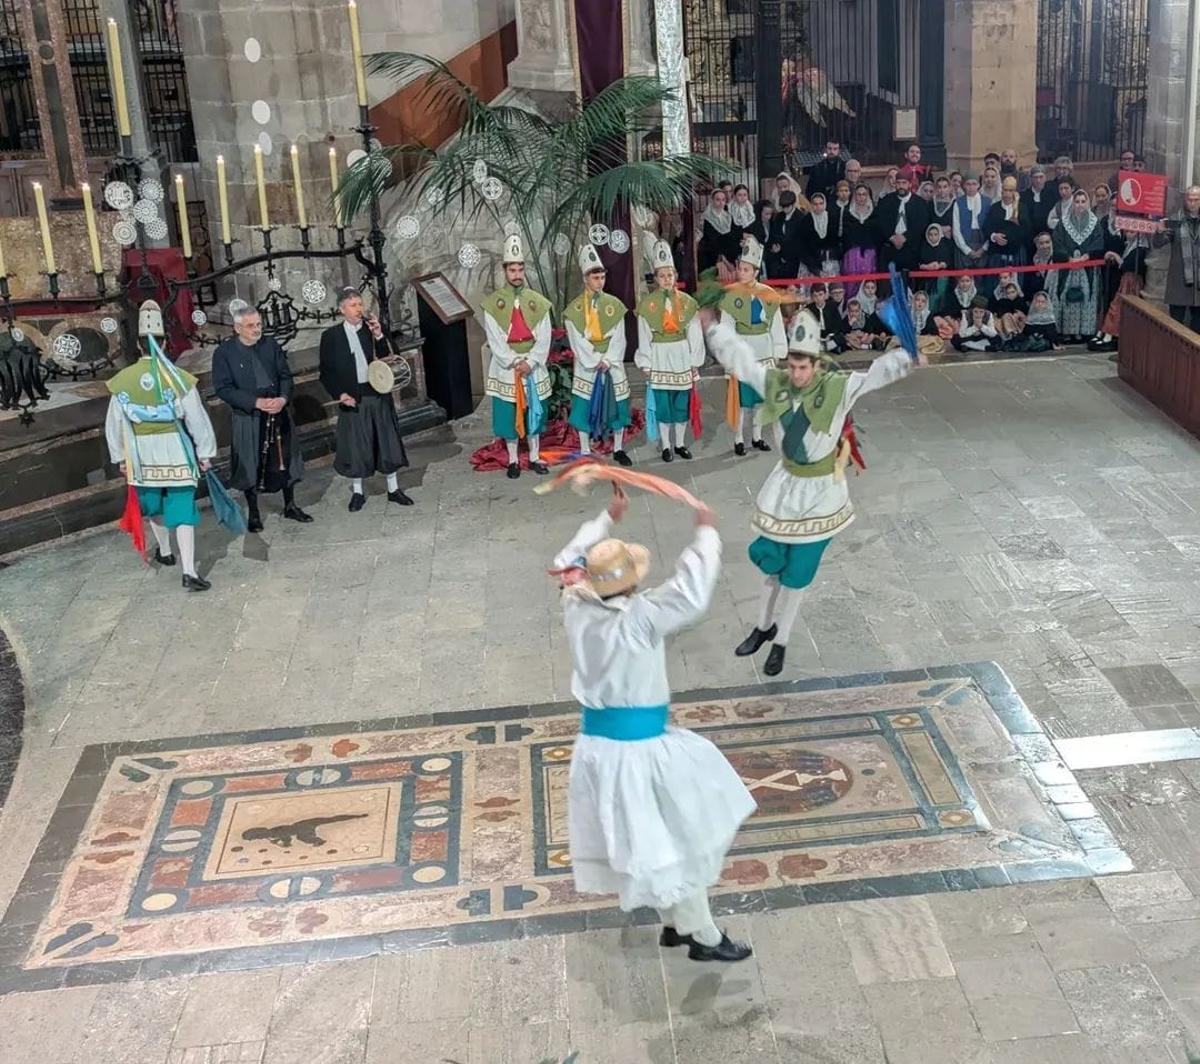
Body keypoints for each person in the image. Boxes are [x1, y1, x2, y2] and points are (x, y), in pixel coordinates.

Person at [553, 487, 755, 963]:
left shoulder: (575, 604)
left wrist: (605, 518)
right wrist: (705, 532)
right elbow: (691, 591)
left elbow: (565, 561)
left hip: (599, 749)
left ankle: (674, 923)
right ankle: (703, 936)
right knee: (679, 838)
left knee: (655, 838)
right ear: (631, 583)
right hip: (637, 752)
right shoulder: (641, 617)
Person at [705, 305, 920, 675]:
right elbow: (742, 360)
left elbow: (876, 374)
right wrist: (713, 329)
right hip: (785, 490)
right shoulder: (776, 383)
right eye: (792, 367)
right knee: (771, 564)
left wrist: (907, 358)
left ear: (817, 365)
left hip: (821, 496)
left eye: (803, 368)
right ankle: (763, 626)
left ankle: (782, 641)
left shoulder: (839, 387)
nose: (796, 374)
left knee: (797, 574)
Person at [105, 300, 217, 591]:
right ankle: (189, 571)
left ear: (138, 346)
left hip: (141, 453)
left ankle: (166, 552)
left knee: (153, 503)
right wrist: (205, 452)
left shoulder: (122, 380)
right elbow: (196, 418)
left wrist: (120, 457)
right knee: (182, 506)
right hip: (174, 449)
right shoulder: (178, 378)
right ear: (165, 343)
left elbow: (114, 423)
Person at [211, 306, 311, 533]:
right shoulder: (224, 353)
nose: (257, 329)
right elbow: (223, 389)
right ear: (237, 328)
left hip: (278, 412)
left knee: (285, 459)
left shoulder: (270, 345)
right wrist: (255, 402)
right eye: (250, 326)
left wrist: (283, 399)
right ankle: (254, 512)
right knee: (250, 463)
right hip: (249, 417)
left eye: (258, 324)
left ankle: (290, 505)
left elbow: (285, 376)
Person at [318, 287, 413, 506]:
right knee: (357, 446)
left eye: (360, 304)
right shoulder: (331, 337)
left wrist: (379, 334)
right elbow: (326, 373)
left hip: (377, 392)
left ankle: (393, 489)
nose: (358, 309)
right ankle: (358, 493)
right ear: (342, 309)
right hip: (352, 396)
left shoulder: (372, 329)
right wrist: (340, 394)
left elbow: (392, 356)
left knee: (386, 441)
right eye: (353, 305)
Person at [481, 235, 552, 478]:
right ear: (505, 271)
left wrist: (531, 362)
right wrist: (514, 362)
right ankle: (513, 460)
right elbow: (494, 339)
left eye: (520, 269)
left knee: (534, 411)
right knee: (508, 413)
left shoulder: (537, 302)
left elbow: (545, 335)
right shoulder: (493, 304)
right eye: (512, 270)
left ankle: (534, 456)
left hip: (531, 365)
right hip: (507, 367)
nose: (517, 274)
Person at [636, 239, 705, 461]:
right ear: (656, 278)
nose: (666, 279)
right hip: (659, 356)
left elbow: (695, 334)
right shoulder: (647, 305)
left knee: (681, 403)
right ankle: (666, 446)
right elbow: (644, 335)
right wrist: (646, 363)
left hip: (681, 355)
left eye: (670, 275)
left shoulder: (688, 303)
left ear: (675, 276)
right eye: (662, 276)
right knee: (663, 405)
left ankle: (680, 444)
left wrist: (695, 361)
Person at [564, 245, 632, 465]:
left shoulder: (614, 305)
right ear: (586, 279)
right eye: (595, 278)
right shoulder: (574, 310)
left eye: (602, 277)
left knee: (618, 404)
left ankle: (618, 447)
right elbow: (577, 340)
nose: (600, 282)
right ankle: (585, 449)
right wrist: (594, 360)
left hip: (611, 363)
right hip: (588, 365)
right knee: (583, 406)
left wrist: (608, 359)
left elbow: (619, 336)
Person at [721, 236, 787, 455]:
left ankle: (757, 436)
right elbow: (726, 328)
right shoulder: (731, 296)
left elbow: (776, 324)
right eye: (741, 269)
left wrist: (777, 350)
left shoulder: (768, 295)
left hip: (764, 349)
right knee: (742, 401)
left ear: (756, 272)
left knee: (760, 399)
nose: (742, 273)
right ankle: (739, 438)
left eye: (747, 269)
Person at [1052, 189, 1104, 343]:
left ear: (1087, 203)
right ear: (1073, 203)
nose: (1080, 205)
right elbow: (1057, 242)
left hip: (1087, 269)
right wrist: (1068, 259)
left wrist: (1086, 257)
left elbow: (1099, 242)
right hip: (1068, 268)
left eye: (1083, 201)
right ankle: (1067, 331)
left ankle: (1083, 331)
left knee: (1086, 297)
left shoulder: (1095, 223)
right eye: (1077, 201)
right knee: (1067, 297)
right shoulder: (1063, 223)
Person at [1154, 185, 1200, 332]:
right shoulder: (1175, 220)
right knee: (1176, 328)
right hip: (1179, 282)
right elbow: (1158, 243)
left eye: (1196, 200)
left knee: (1197, 330)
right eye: (1190, 200)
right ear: (1185, 200)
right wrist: (1159, 232)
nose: (1193, 203)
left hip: (1198, 285)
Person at [875, 172, 930, 273]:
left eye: (904, 183)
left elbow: (921, 225)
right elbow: (880, 221)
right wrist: (892, 237)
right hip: (890, 248)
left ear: (910, 184)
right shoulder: (886, 201)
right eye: (898, 183)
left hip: (911, 249)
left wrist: (905, 237)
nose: (901, 186)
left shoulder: (920, 203)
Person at [983, 177, 1031, 268]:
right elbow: (986, 228)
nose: (1007, 193)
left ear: (1015, 192)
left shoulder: (1022, 208)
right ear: (1002, 190)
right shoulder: (995, 207)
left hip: (1016, 251)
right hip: (997, 252)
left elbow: (1027, 230)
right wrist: (994, 236)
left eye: (1010, 190)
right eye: (1005, 190)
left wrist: (1017, 221)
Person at [841, 184, 877, 297]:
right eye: (858, 194)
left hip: (869, 254)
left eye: (864, 194)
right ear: (854, 196)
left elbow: (877, 234)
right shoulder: (848, 213)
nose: (861, 197)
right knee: (852, 285)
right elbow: (845, 235)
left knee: (868, 283)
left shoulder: (874, 213)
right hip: (852, 254)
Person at [952, 175, 991, 269]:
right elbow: (956, 229)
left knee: (981, 274)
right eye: (968, 184)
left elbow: (991, 228)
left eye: (974, 184)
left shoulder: (988, 202)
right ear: (964, 186)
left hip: (982, 242)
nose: (971, 187)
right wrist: (967, 250)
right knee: (964, 275)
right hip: (964, 243)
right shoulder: (958, 202)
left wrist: (984, 249)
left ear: (979, 185)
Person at [797, 192, 840, 277]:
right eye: (815, 204)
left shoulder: (832, 218)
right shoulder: (806, 220)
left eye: (821, 203)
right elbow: (803, 245)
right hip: (810, 261)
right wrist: (814, 268)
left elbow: (836, 241)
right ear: (811, 205)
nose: (818, 206)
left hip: (829, 260)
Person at [766, 190, 803, 279]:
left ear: (793, 204)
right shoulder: (779, 216)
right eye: (783, 206)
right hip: (778, 259)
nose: (785, 209)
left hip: (794, 260)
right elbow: (773, 234)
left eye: (787, 206)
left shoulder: (801, 218)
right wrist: (774, 245)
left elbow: (800, 241)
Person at [699, 188, 736, 274]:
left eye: (723, 200)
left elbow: (732, 234)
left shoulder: (728, 216)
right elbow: (710, 237)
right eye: (717, 200)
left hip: (726, 249)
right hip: (710, 250)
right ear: (712, 201)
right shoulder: (706, 217)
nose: (721, 203)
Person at [917, 223, 952, 306]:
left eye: (935, 234)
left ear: (939, 234)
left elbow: (948, 262)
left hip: (940, 280)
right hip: (924, 280)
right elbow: (918, 263)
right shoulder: (923, 246)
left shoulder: (944, 246)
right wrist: (927, 267)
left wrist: (940, 265)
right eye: (930, 235)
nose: (933, 237)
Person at [1020, 166, 1054, 248]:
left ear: (1045, 178)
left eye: (1041, 177)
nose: (1038, 180)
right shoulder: (1023, 196)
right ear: (1031, 178)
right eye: (1035, 177)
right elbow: (1023, 219)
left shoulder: (1052, 195)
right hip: (1029, 239)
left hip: (1048, 238)